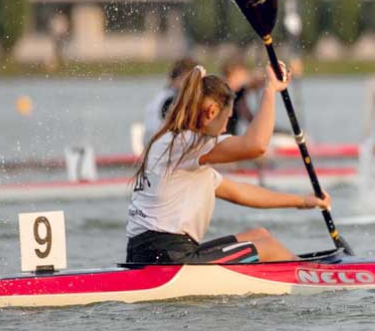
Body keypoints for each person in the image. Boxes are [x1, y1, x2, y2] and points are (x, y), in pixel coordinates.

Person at [126, 62, 332, 264]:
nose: (226, 127)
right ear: (212, 112)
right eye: (227, 118)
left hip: (149, 251)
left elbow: (239, 192)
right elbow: (256, 146)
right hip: (168, 257)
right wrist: (270, 90)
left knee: (260, 235)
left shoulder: (177, 146)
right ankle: (311, 277)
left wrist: (303, 201)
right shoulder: (189, 143)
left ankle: (299, 270)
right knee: (268, 248)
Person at [143, 57, 198, 140]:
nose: (197, 86)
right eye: (190, 80)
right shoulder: (171, 100)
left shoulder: (160, 97)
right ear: (177, 79)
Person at [221, 55, 261, 136]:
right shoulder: (225, 93)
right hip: (225, 136)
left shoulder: (239, 91)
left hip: (229, 135)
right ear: (234, 74)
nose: (245, 76)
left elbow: (254, 84)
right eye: (243, 74)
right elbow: (245, 112)